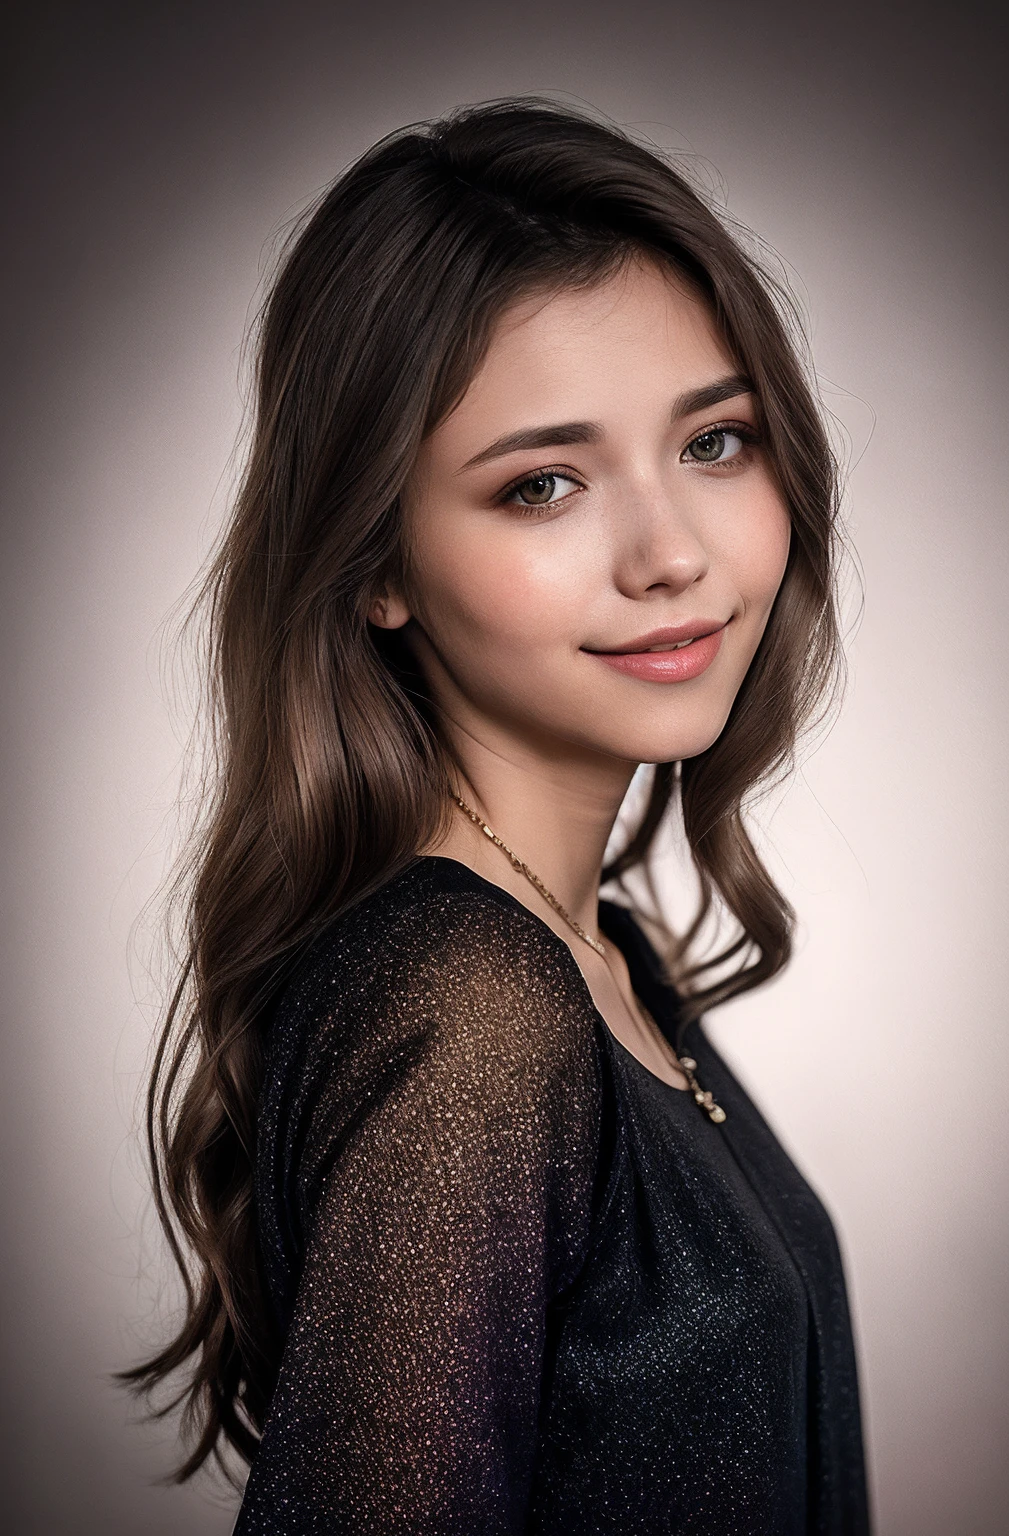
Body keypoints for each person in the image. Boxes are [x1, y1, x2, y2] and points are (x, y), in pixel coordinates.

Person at [122, 98, 870, 1534]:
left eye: (715, 444)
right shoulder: (473, 1008)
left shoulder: (603, 959)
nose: (670, 553)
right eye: (543, 484)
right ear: (375, 567)